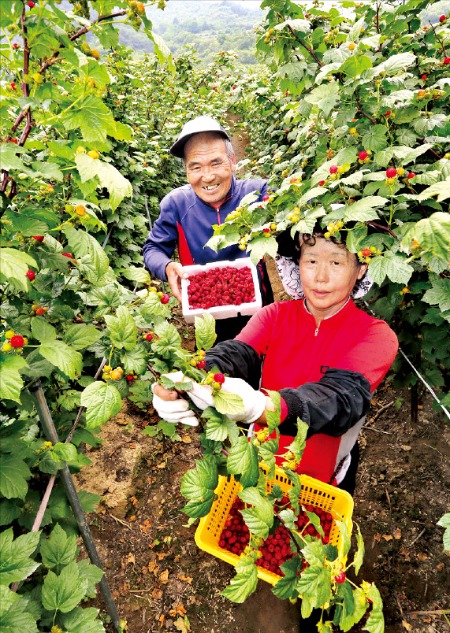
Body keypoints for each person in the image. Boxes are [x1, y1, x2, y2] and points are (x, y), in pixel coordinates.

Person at [152, 226, 399, 631]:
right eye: (311, 261)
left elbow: (338, 400)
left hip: (326, 471)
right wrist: (186, 381)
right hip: (265, 461)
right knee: (268, 532)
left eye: (337, 262)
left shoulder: (374, 336)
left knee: (315, 550)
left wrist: (265, 405)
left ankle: (316, 604)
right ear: (294, 265)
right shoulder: (275, 315)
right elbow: (235, 354)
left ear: (359, 270)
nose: (321, 276)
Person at [142, 115, 273, 342]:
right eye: (196, 167)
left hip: (258, 304)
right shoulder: (176, 205)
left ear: (232, 161)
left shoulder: (257, 193)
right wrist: (166, 266)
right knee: (220, 367)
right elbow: (152, 248)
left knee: (266, 363)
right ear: (186, 170)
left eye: (216, 163)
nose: (208, 176)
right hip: (206, 313)